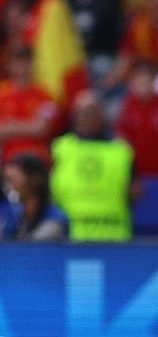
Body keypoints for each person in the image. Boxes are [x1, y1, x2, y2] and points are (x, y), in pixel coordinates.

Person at [50, 91, 135, 241]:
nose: (85, 119)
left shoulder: (121, 151)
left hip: (113, 237)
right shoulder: (60, 148)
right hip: (69, 238)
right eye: (81, 113)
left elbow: (135, 190)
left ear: (102, 117)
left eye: (91, 113)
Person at [0, 152, 67, 240]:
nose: (9, 187)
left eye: (14, 179)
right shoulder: (10, 214)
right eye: (7, 180)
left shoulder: (54, 220)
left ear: (35, 180)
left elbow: (31, 249)